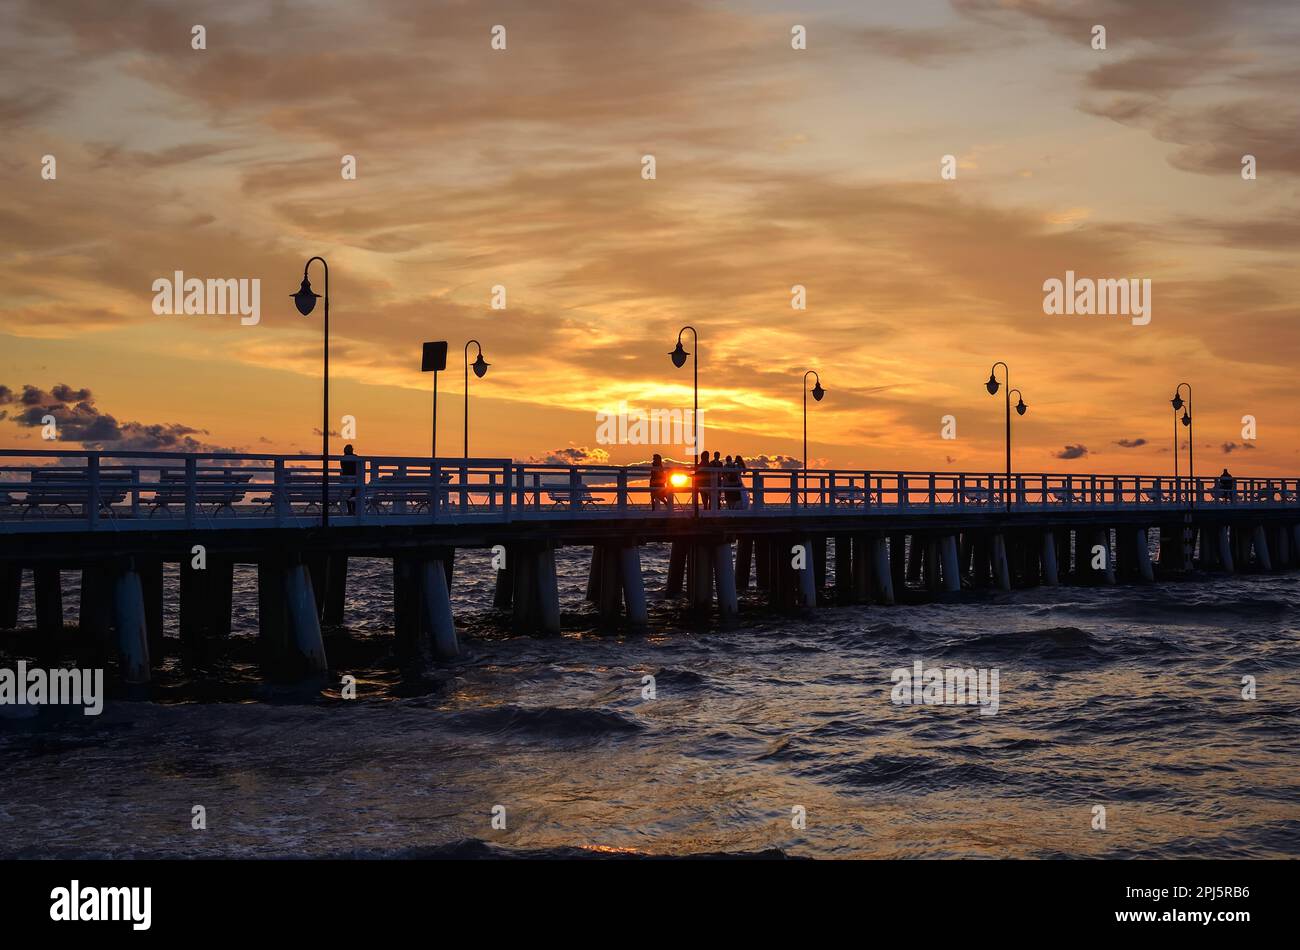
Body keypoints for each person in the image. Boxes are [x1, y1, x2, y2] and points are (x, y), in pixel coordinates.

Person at [341, 443, 359, 514]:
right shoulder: (355, 457)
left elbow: (343, 468)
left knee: (348, 495)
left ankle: (350, 511)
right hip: (355, 479)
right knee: (354, 495)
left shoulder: (343, 459)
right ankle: (354, 510)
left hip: (346, 480)